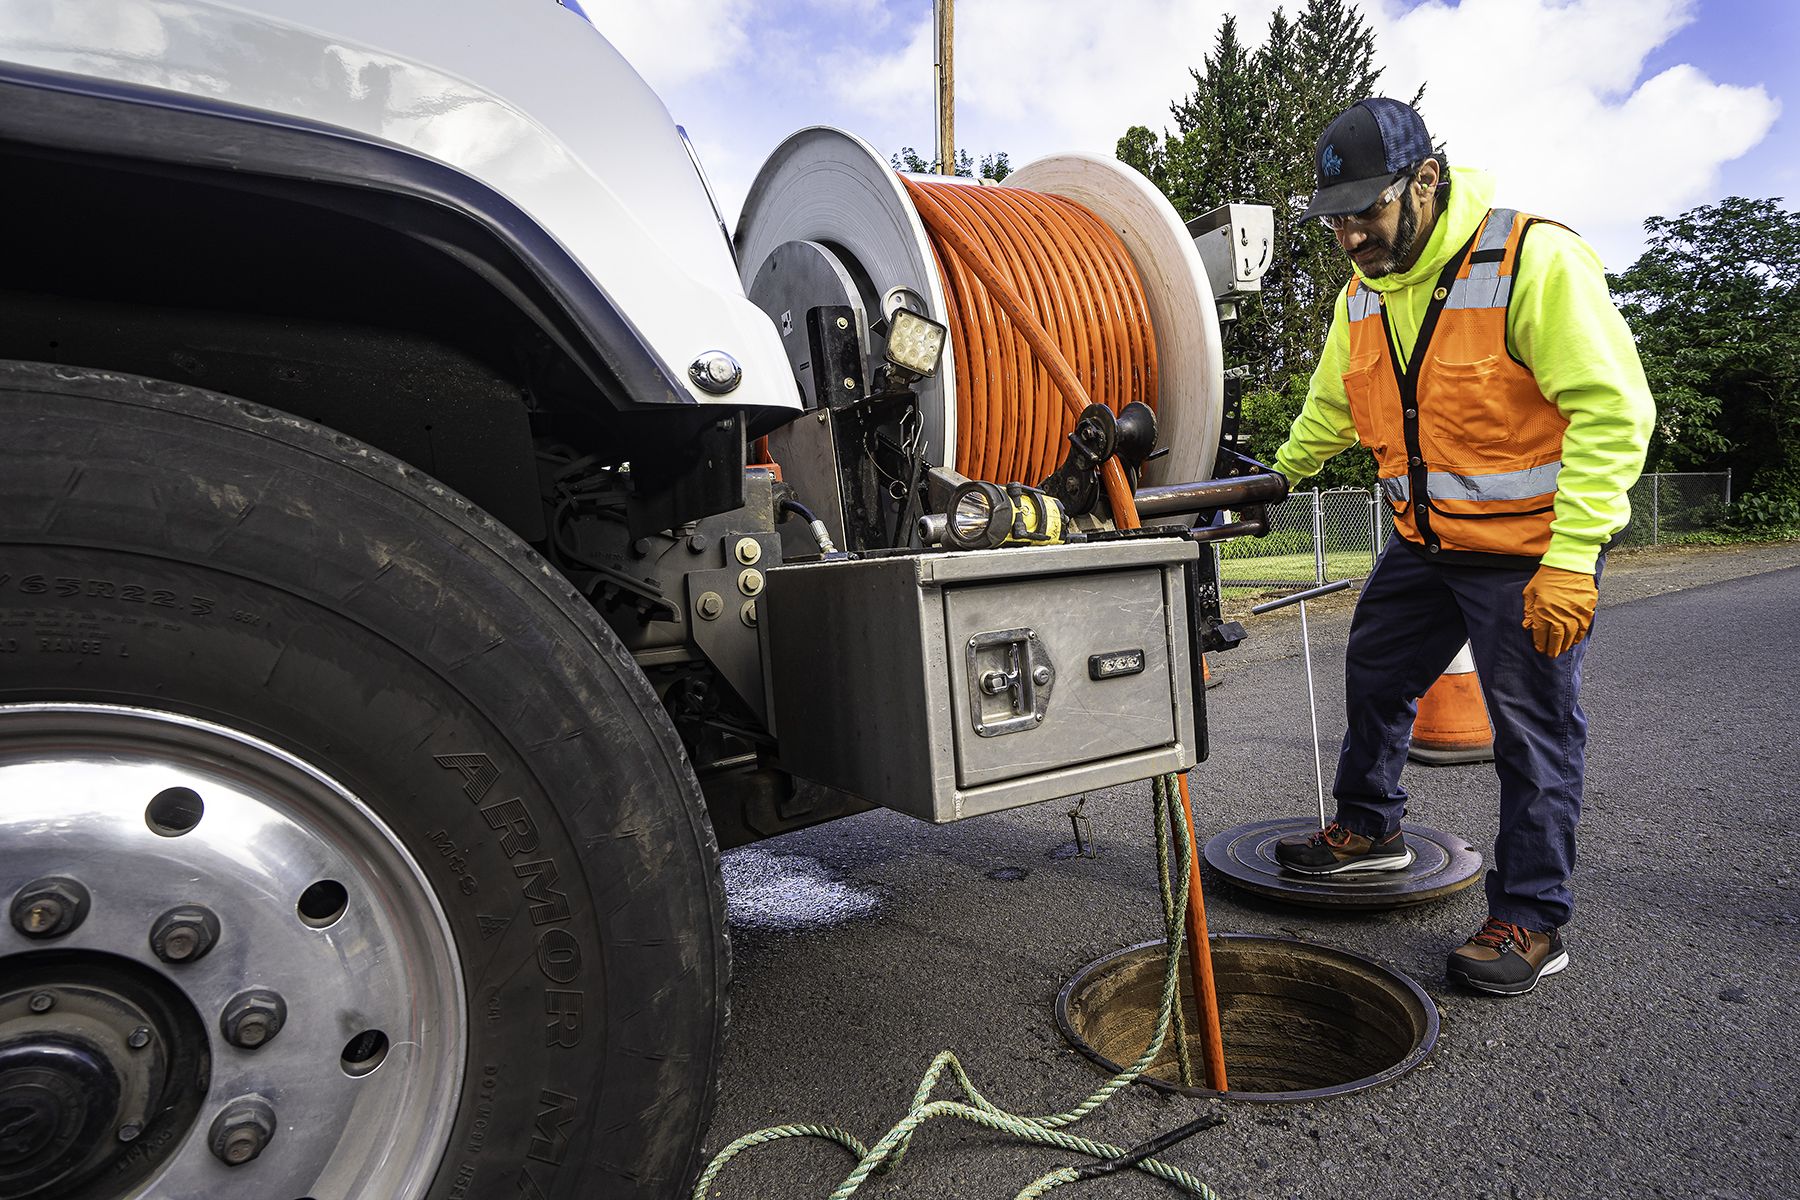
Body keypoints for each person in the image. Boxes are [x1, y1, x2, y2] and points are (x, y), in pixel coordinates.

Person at [1268, 97, 1653, 996]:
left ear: (1426, 183)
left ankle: (1530, 917)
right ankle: (1369, 831)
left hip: (1529, 554)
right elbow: (1334, 408)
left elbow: (1612, 410)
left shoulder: (1532, 261)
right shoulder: (1363, 296)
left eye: (1368, 210)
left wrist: (1572, 556)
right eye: (1336, 220)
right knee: (1376, 670)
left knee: (1534, 734)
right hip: (1425, 545)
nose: (1353, 236)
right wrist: (1277, 476)